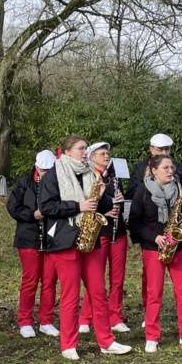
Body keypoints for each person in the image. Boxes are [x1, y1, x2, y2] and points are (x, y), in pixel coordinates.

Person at [38, 135, 132, 360]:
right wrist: (77, 206)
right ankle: (68, 344)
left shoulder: (92, 174)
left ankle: (106, 341)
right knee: (70, 295)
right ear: (68, 151)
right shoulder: (53, 174)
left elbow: (101, 204)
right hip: (65, 240)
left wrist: (109, 198)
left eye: (85, 149)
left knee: (98, 292)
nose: (84, 152)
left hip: (90, 239)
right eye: (81, 149)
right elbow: (47, 206)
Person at [126, 133, 182, 328]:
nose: (164, 153)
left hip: (174, 236)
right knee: (152, 283)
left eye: (167, 149)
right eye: (160, 150)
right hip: (152, 236)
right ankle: (149, 314)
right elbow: (133, 203)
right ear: (151, 150)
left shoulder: (178, 171)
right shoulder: (140, 170)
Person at [7, 150, 59, 338]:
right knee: (30, 280)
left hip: (51, 237)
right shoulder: (24, 183)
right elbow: (13, 208)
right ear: (36, 167)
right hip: (28, 237)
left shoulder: (58, 182)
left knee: (49, 280)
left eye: (49, 170)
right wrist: (32, 215)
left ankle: (46, 320)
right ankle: (25, 320)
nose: (45, 174)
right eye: (42, 170)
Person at [79, 141, 129, 335]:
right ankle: (86, 317)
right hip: (100, 231)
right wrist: (105, 211)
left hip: (118, 232)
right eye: (101, 154)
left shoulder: (115, 177)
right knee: (95, 278)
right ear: (92, 157)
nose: (106, 157)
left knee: (117, 278)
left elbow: (123, 201)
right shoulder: (87, 176)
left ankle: (115, 316)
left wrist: (120, 204)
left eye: (107, 154)